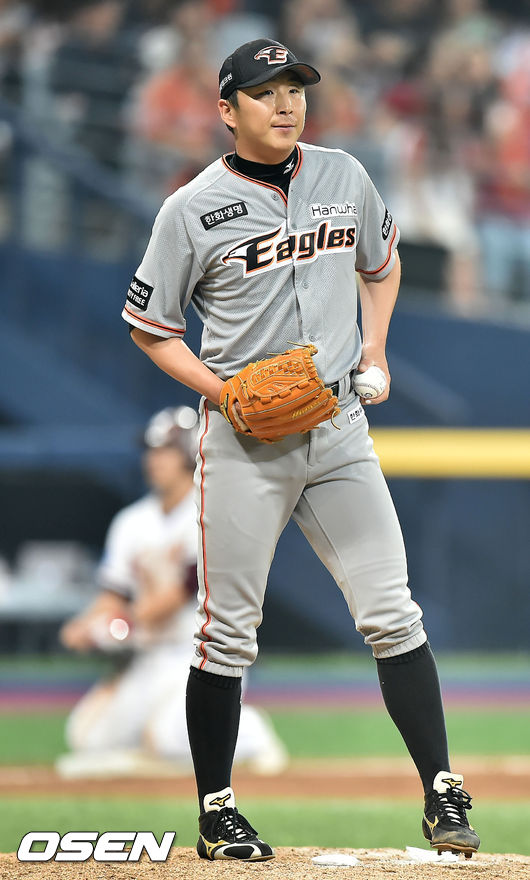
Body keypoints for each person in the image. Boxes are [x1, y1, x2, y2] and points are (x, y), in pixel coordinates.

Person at [123, 38, 481, 862]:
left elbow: (381, 265)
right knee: (226, 633)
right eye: (265, 92)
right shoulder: (190, 209)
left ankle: (441, 791)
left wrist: (375, 349)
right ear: (227, 109)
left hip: (338, 430)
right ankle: (217, 810)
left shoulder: (343, 175)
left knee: (393, 613)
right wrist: (222, 393)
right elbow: (149, 327)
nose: (286, 104)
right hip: (246, 442)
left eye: (294, 89)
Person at [57, 405, 288, 779]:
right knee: (86, 736)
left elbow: (183, 591)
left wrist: (120, 624)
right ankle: (161, 746)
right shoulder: (132, 521)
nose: (154, 459)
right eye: (151, 450)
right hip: (148, 656)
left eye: (164, 450)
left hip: (202, 654)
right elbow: (113, 594)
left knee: (168, 736)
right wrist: (86, 625)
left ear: (189, 452)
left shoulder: (213, 511)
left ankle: (251, 730)